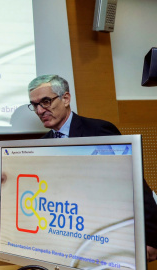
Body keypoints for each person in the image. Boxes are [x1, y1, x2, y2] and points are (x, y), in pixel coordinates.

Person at [27, 74, 157, 262]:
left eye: (45, 102)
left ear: (65, 98)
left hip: (109, 237)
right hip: (69, 242)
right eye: (35, 105)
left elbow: (132, 185)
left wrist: (152, 239)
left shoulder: (99, 131)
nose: (39, 111)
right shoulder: (42, 145)